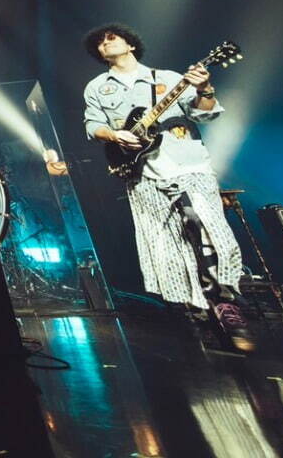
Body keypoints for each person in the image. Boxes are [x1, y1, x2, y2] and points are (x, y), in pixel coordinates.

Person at [81, 23, 246, 330]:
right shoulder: (97, 87)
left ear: (131, 44)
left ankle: (227, 300)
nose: (106, 43)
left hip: (189, 164)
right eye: (100, 44)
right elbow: (93, 126)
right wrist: (115, 135)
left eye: (112, 37)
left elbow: (206, 113)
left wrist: (205, 88)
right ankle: (193, 307)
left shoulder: (168, 78)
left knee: (212, 230)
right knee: (165, 241)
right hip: (142, 172)